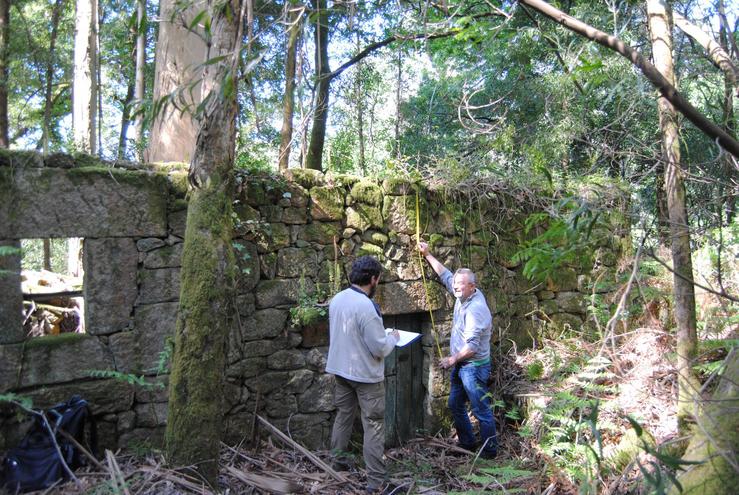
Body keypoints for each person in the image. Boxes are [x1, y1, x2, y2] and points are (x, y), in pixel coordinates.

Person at [325, 255, 400, 493]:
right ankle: (376, 482)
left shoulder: (337, 299)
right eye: (378, 278)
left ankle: (336, 465)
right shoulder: (366, 306)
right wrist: (392, 338)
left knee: (343, 417)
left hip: (340, 370)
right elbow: (380, 348)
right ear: (373, 279)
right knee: (373, 426)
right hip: (366, 377)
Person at [418, 241, 498, 459]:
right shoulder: (462, 292)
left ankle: (490, 452)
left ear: (472, 287)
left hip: (473, 367)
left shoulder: (476, 309)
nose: (455, 286)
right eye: (456, 284)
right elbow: (446, 275)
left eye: (461, 284)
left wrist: (451, 360)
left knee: (480, 409)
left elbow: (472, 347)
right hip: (463, 365)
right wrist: (427, 254)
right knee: (455, 404)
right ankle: (468, 444)